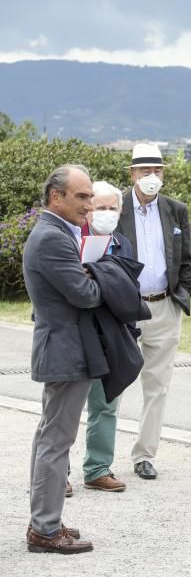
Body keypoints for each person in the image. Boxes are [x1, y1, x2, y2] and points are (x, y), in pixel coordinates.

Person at [24, 165, 100, 554]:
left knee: (49, 438)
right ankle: (44, 529)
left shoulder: (52, 232)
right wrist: (101, 275)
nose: (89, 205)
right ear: (57, 197)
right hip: (66, 350)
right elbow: (84, 294)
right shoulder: (52, 237)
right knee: (56, 441)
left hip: (62, 348)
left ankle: (46, 521)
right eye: (82, 197)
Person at [118, 143, 191, 480]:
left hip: (164, 306)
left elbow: (187, 259)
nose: (152, 177)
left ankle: (144, 455)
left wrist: (181, 295)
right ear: (133, 173)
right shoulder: (115, 206)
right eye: (145, 171)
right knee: (112, 384)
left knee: (158, 385)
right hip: (124, 308)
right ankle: (98, 456)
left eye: (158, 171)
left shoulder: (175, 210)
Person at [78, 180, 134, 492]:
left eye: (113, 208)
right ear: (87, 211)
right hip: (77, 333)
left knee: (106, 403)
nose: (107, 213)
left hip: (111, 334)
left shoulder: (121, 244)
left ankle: (98, 468)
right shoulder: (72, 241)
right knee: (67, 407)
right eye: (101, 208)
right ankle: (56, 474)